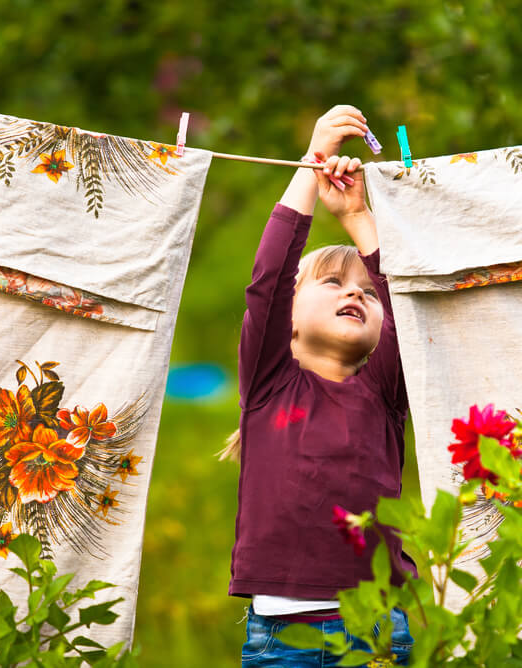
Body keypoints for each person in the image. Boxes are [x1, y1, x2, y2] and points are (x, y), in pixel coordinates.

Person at [226, 105, 417, 666]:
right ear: (287, 317)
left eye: (366, 292)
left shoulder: (384, 393)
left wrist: (359, 216)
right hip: (283, 639)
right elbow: (268, 279)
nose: (355, 294)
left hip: (380, 629)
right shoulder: (268, 385)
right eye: (333, 283)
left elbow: (405, 298)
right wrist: (311, 164)